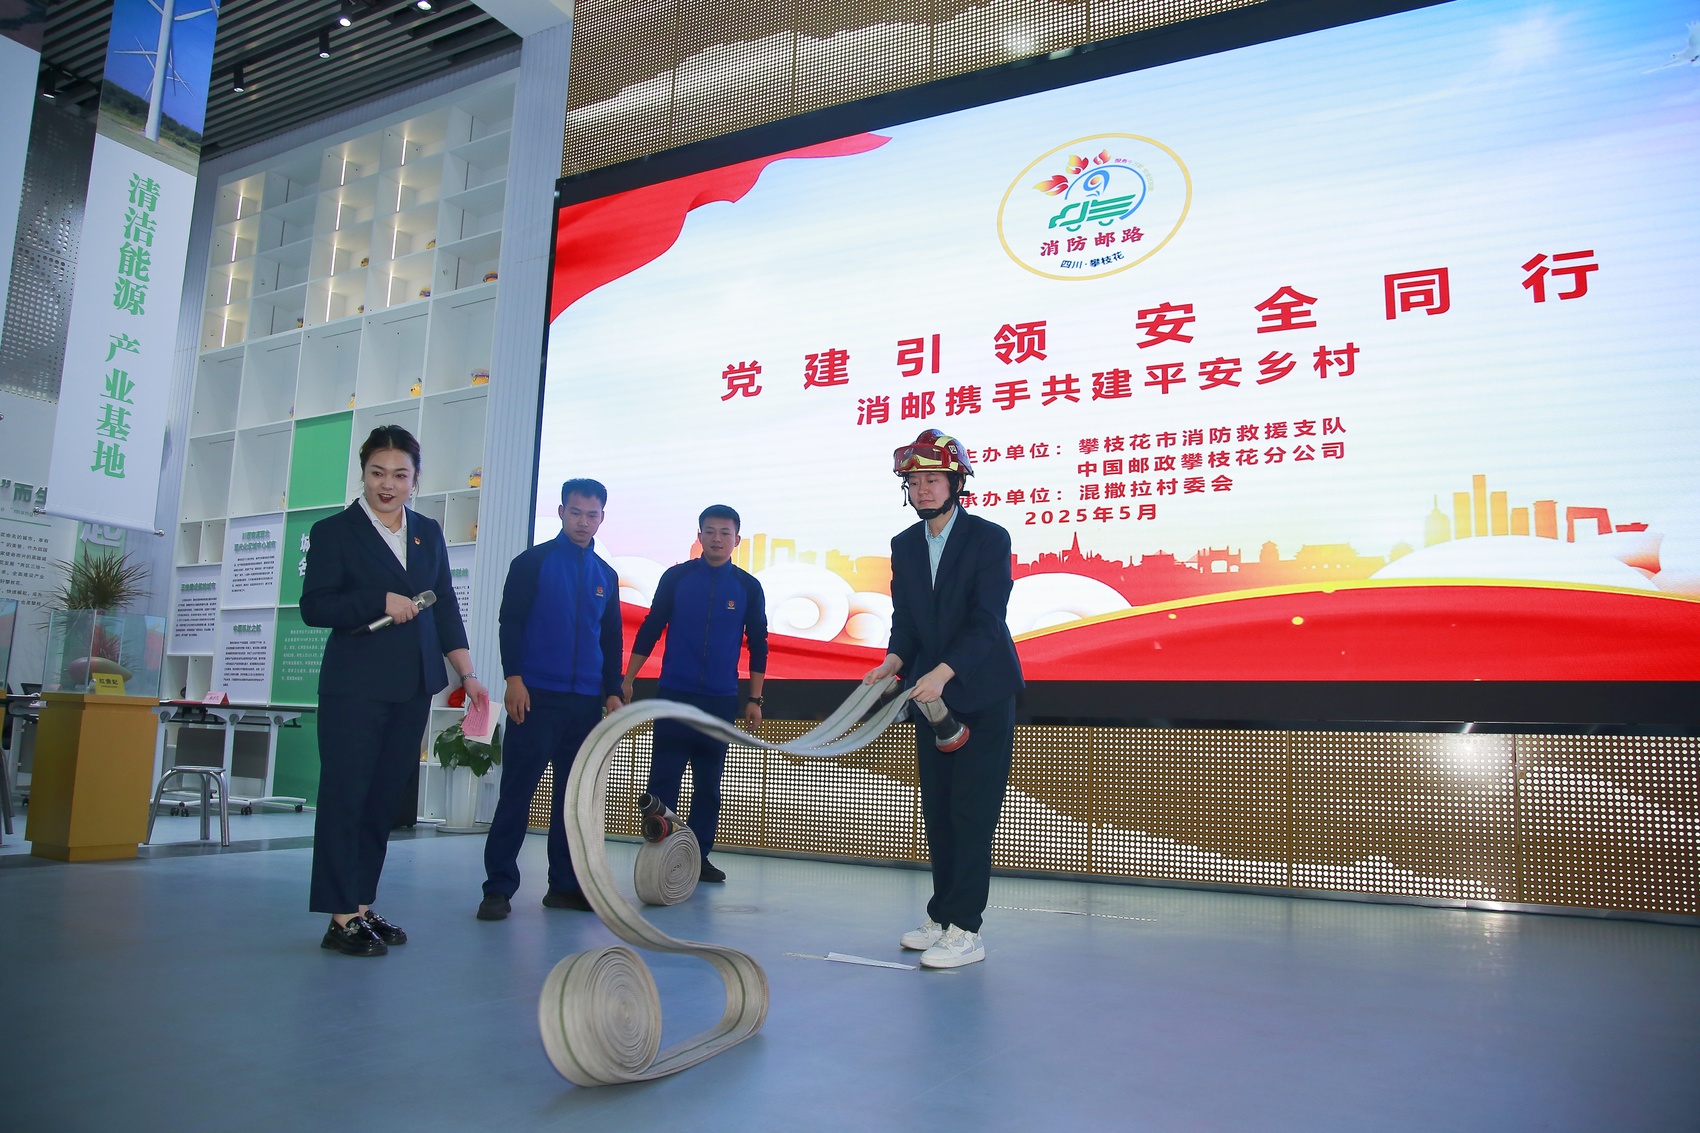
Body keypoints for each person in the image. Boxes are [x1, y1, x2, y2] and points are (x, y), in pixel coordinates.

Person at [301, 425, 489, 957]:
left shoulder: (427, 531)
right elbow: (315, 606)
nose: (388, 485)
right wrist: (377, 600)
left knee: (383, 799)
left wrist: (467, 674)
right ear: (363, 474)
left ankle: (361, 905)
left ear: (415, 478)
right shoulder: (335, 531)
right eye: (377, 473)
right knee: (347, 797)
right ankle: (340, 916)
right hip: (355, 687)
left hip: (413, 685)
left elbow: (444, 605)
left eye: (400, 475)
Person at [862, 429, 1023, 969]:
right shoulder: (905, 545)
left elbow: (987, 620)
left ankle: (967, 930)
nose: (923, 489)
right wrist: (893, 662)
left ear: (956, 483)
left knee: (972, 812)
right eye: (914, 482)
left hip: (979, 692)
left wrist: (943, 673)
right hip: (929, 699)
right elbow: (906, 620)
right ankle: (942, 914)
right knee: (938, 810)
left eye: (933, 479)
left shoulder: (988, 538)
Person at [477, 479, 623, 920]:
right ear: (561, 512)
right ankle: (498, 888)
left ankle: (564, 886)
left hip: (585, 704)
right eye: (575, 512)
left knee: (572, 800)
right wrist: (514, 679)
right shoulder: (532, 562)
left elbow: (611, 639)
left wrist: (612, 692)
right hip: (535, 697)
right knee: (517, 793)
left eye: (592, 514)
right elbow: (511, 622)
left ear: (602, 517)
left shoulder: (606, 575)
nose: (583, 522)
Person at [621, 505, 768, 883]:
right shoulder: (677, 578)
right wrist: (628, 678)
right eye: (710, 531)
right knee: (663, 780)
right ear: (699, 536)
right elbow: (651, 627)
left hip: (719, 700)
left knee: (708, 786)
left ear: (737, 539)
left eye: (725, 532)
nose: (717, 539)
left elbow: (759, 643)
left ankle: (698, 857)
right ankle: (659, 855)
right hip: (675, 695)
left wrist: (754, 699)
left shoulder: (748, 587)